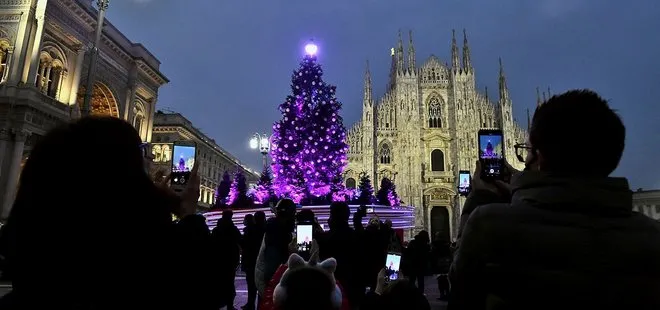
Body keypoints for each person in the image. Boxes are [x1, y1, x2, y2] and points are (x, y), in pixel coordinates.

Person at [449, 90, 660, 309]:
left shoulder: (489, 226)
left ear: (538, 157)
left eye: (526, 151)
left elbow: (461, 295)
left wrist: (482, 198)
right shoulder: (653, 238)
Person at [0, 116, 217, 309]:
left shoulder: (30, 265)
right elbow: (204, 293)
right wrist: (187, 215)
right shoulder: (143, 274)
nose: (148, 161)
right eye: (141, 154)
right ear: (128, 181)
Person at [255, 199, 297, 297]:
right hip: (275, 291)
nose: (294, 218)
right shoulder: (276, 233)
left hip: (276, 288)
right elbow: (271, 270)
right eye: (293, 214)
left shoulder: (278, 231)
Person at [212, 209, 242, 309]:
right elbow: (240, 241)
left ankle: (217, 303)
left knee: (217, 282)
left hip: (218, 259)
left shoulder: (216, 230)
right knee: (229, 283)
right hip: (230, 260)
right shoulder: (233, 229)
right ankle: (230, 305)